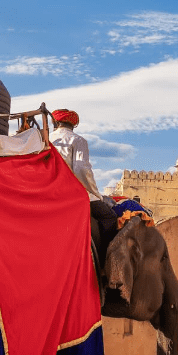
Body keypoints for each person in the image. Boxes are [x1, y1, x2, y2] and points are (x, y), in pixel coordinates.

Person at [50, 108, 117, 261]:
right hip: (69, 193)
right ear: (73, 125)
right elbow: (81, 169)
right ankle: (105, 261)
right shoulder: (77, 140)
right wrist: (96, 194)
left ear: (55, 123)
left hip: (46, 191)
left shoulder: (43, 139)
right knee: (109, 218)